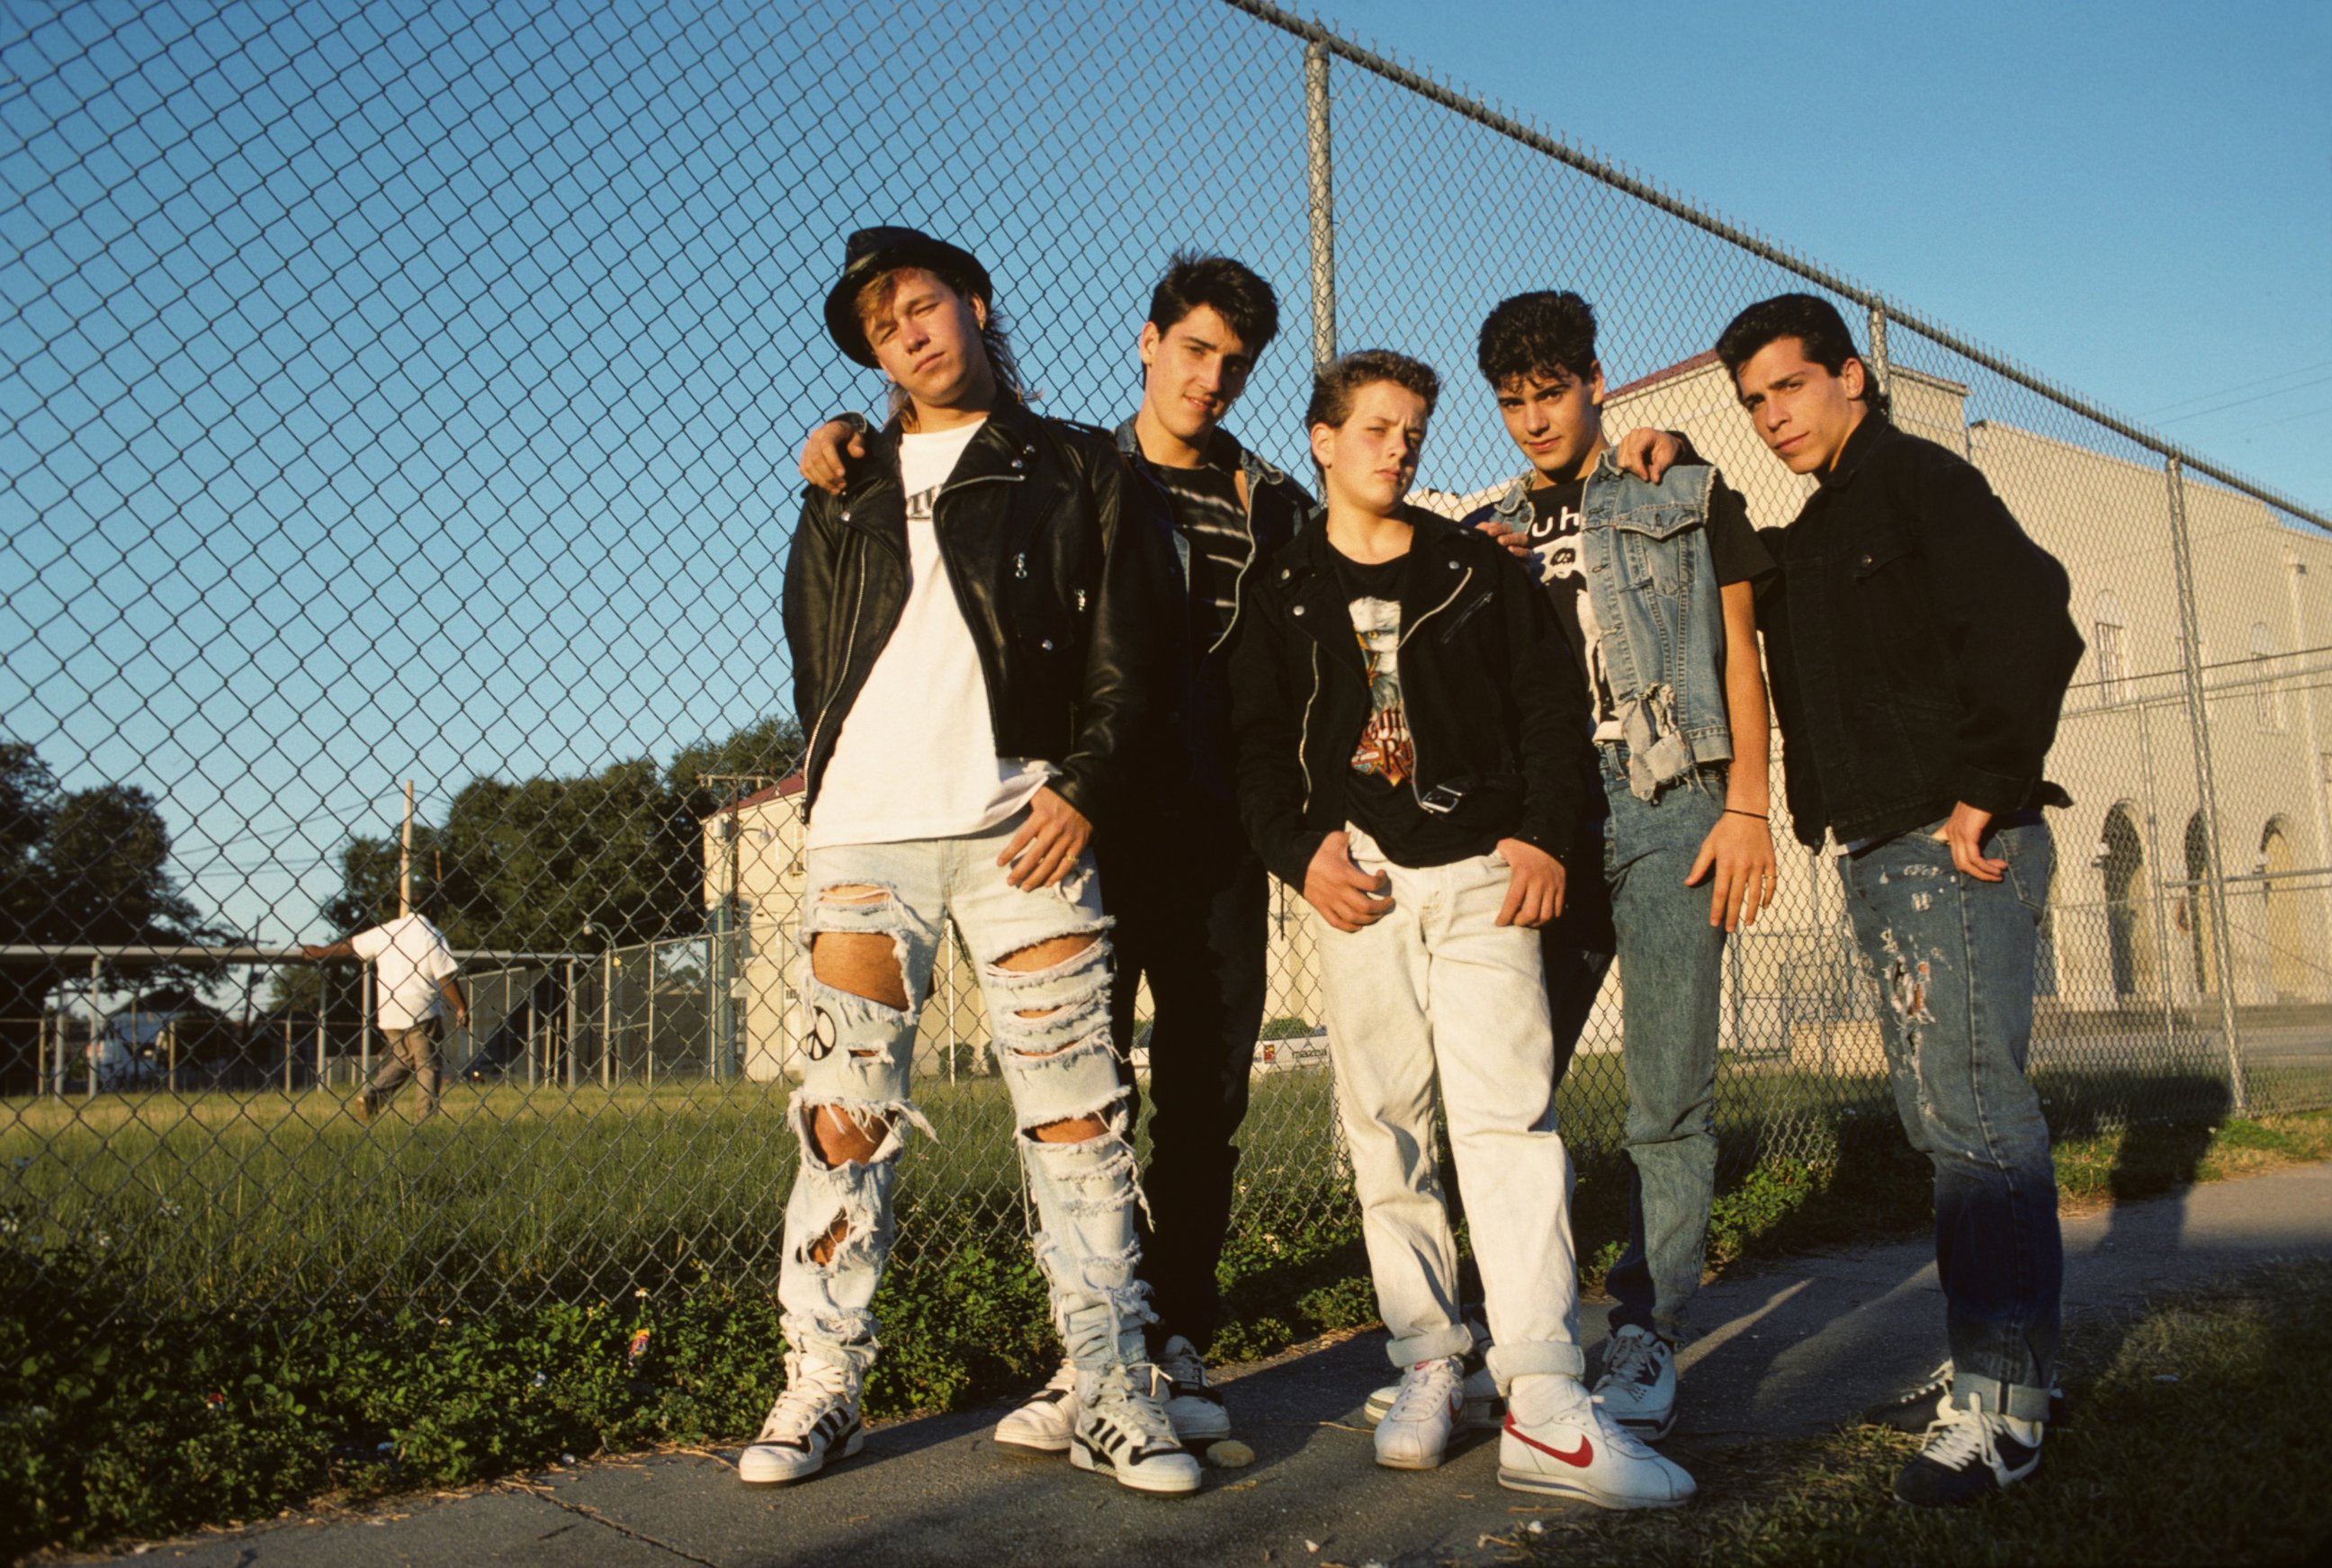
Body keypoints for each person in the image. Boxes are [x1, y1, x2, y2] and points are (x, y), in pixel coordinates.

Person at [801, 253, 1309, 1449]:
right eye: (1193, 349)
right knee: (994, 1101)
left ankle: (1152, 1341)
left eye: (1235, 362)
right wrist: (841, 443)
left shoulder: (1242, 492)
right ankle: (1039, 1362)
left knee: (1175, 1096)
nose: (1213, 377)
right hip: (1026, 819)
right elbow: (839, 637)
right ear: (1147, 343)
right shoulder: (1045, 469)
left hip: (1168, 819)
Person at [749, 227, 1194, 1495]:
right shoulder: (844, 476)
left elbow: (1135, 645)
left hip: (1022, 830)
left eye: (923, 305)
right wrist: (833, 468)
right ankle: (823, 1382)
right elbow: (815, 651)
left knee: (1077, 1117)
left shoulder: (1080, 466)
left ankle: (1108, 1385)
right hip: (865, 837)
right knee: (843, 1121)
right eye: (884, 325)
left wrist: (1091, 786)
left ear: (977, 306)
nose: (908, 333)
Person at [1231, 348, 1694, 1508]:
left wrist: (1541, 834)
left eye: (1414, 432)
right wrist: (1300, 851)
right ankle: (1433, 1361)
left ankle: (1542, 1396)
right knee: (1384, 1120)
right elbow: (1247, 744)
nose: (1398, 447)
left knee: (1506, 1119)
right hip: (1362, 879)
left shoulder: (1474, 570)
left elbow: (1548, 706)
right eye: (1376, 428)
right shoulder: (1282, 586)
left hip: (1485, 869)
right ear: (1324, 441)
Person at [1716, 292, 2082, 1507]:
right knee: (1943, 1115)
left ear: (1850, 378)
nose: (1772, 416)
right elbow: (1750, 586)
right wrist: (1678, 472)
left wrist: (1985, 790)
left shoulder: (1926, 485)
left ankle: (2010, 1397)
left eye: (1789, 387)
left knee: (1976, 1116)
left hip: (1953, 841)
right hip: (1882, 847)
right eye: (1752, 400)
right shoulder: (1818, 528)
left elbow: (2038, 617)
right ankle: (1988, 1365)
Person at [1454, 291, 1778, 1444]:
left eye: (1551, 393)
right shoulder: (1483, 532)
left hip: (1669, 799)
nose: (1534, 419)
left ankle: (1645, 1329)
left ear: (1598, 380)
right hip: (1545, 819)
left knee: (1666, 1089)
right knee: (1504, 1080)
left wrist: (1748, 803)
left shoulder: (1675, 488)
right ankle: (1515, 1334)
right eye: (1511, 402)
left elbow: (1740, 649)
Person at [300, 901, 468, 1123]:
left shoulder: (388, 930)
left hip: (390, 1011)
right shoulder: (431, 934)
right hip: (422, 1009)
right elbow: (444, 975)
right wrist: (461, 1006)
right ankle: (425, 1119)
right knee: (428, 1065)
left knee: (404, 1058)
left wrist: (321, 952)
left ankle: (372, 1097)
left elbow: (351, 946)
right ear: (431, 909)